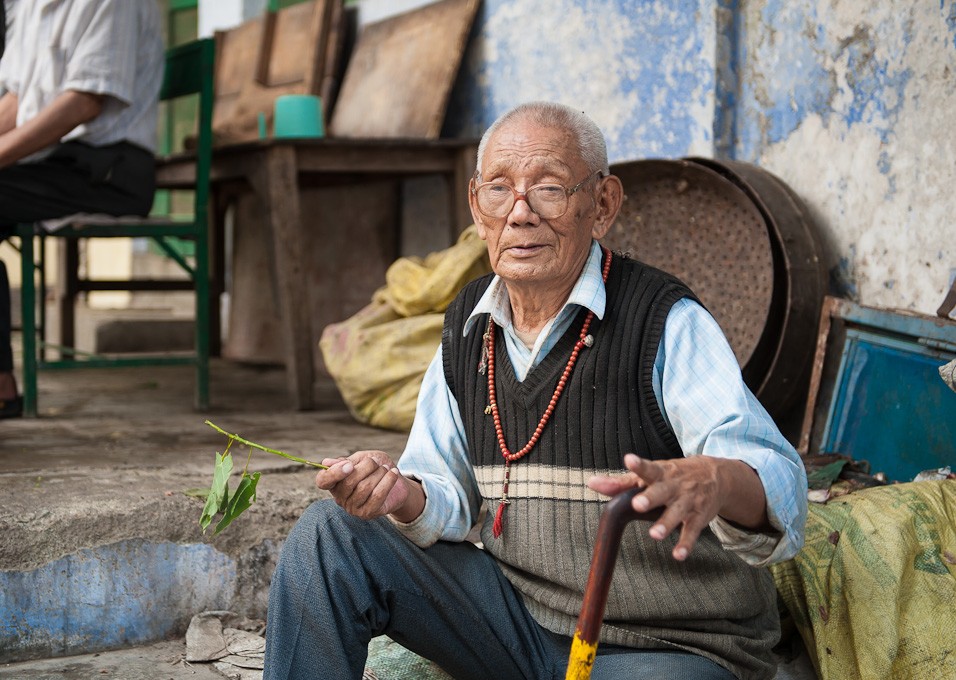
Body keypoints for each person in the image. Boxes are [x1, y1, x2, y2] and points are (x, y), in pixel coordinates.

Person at [264, 101, 808, 680]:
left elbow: (781, 485)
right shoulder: (469, 326)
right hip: (516, 625)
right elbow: (444, 491)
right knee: (331, 538)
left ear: (602, 205)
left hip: (667, 647)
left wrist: (718, 480)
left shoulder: (665, 322)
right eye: (499, 190)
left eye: (548, 188)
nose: (519, 214)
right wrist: (401, 495)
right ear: (477, 207)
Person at [0, 0, 164, 418]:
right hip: (57, 159)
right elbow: (17, 102)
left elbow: (86, 100)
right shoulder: (28, 6)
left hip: (111, 166)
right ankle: (2, 380)